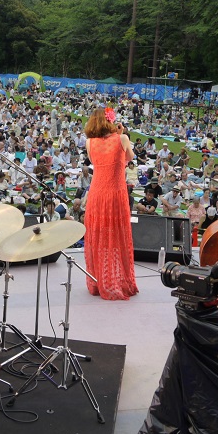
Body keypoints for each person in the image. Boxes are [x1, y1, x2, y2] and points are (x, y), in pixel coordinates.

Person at [83, 108, 138, 300]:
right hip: (115, 193)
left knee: (98, 235)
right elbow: (129, 158)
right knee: (117, 235)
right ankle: (117, 280)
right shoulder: (122, 139)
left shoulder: (89, 142)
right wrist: (120, 135)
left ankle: (98, 281)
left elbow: (94, 161)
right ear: (111, 121)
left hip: (97, 193)